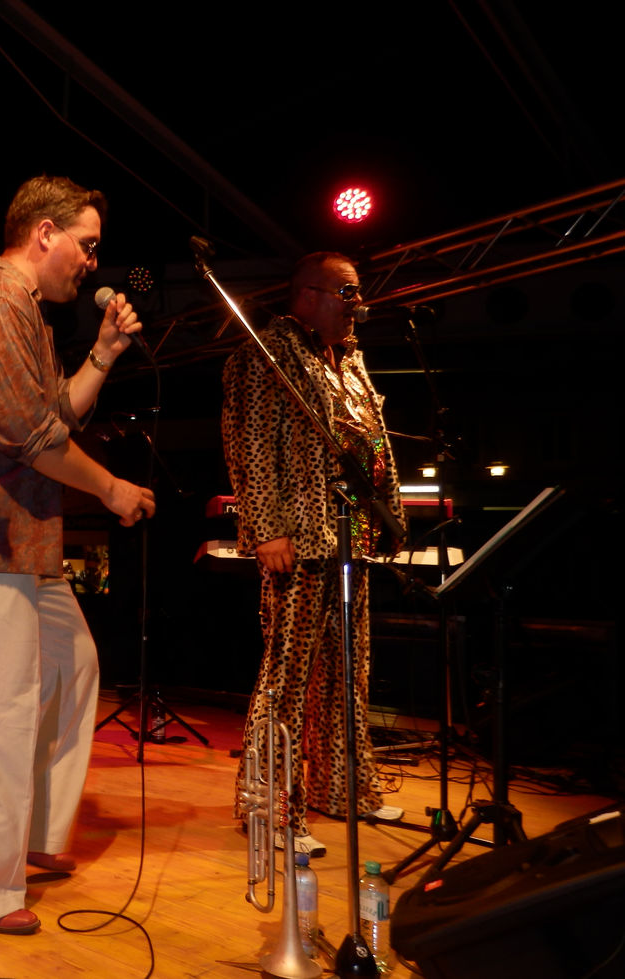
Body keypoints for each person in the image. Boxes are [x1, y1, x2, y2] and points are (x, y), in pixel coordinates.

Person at [0, 175, 155, 934]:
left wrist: (105, 353)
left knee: (69, 665)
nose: (92, 262)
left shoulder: (25, 313)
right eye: (86, 244)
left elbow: (56, 412)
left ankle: (33, 833)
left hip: (20, 536)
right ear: (44, 233)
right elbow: (29, 434)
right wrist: (111, 487)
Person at [222, 251, 405, 857]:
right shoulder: (264, 353)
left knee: (348, 672)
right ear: (307, 294)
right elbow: (249, 444)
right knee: (287, 677)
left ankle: (342, 789)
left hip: (350, 535)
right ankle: (269, 807)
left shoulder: (348, 359)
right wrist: (267, 528)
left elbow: (374, 443)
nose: (358, 304)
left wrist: (389, 515)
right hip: (297, 539)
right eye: (347, 292)